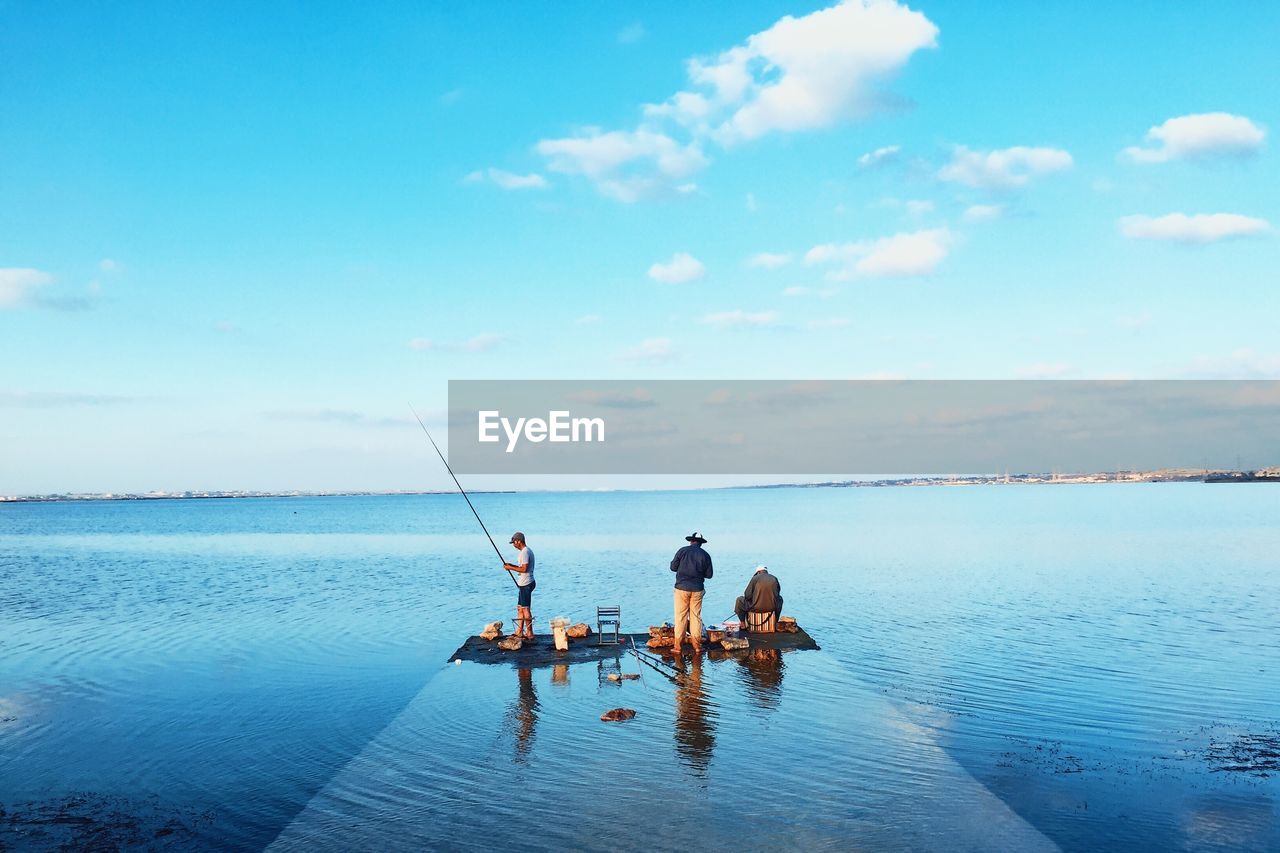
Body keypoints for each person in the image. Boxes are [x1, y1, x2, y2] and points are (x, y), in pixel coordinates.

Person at [670, 531, 713, 655]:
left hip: (681, 588)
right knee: (695, 617)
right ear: (700, 543)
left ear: (691, 541)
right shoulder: (705, 555)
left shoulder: (682, 551)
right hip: (697, 589)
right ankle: (697, 647)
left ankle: (678, 647)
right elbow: (709, 575)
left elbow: (673, 567)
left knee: (680, 616)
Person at [503, 531, 535, 640]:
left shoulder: (525, 552)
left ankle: (529, 633)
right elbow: (522, 567)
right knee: (520, 609)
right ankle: (519, 632)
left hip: (526, 583)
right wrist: (511, 565)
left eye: (514, 542)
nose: (513, 545)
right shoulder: (524, 551)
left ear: (519, 541)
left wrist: (510, 568)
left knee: (525, 609)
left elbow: (525, 569)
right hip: (523, 584)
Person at [735, 565, 782, 631]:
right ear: (766, 571)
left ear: (758, 572)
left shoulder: (755, 578)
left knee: (739, 600)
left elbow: (747, 595)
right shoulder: (774, 578)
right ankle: (775, 622)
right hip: (772, 607)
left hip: (756, 608)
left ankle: (742, 623)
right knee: (780, 599)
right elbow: (777, 593)